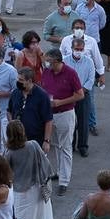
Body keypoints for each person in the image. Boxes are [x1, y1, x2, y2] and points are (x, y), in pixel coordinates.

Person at [5, 119, 55, 219]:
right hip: (37, 188)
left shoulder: (9, 153)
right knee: (42, 218)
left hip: (19, 192)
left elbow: (6, 174)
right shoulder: (33, 145)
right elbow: (46, 165)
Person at [41, 47, 84, 194]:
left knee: (65, 146)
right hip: (49, 115)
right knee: (55, 145)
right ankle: (59, 172)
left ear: (57, 61)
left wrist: (60, 102)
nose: (46, 64)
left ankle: (64, 181)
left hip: (65, 113)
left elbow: (80, 95)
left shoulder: (70, 73)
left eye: (49, 61)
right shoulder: (47, 72)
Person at [63, 26, 103, 155]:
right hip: (69, 95)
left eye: (81, 50)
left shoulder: (89, 62)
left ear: (84, 49)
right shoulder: (65, 61)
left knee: (83, 122)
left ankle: (83, 146)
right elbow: (63, 78)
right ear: (72, 49)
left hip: (83, 95)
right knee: (70, 122)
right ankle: (71, 144)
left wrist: (82, 91)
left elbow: (91, 80)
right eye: (76, 49)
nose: (78, 51)